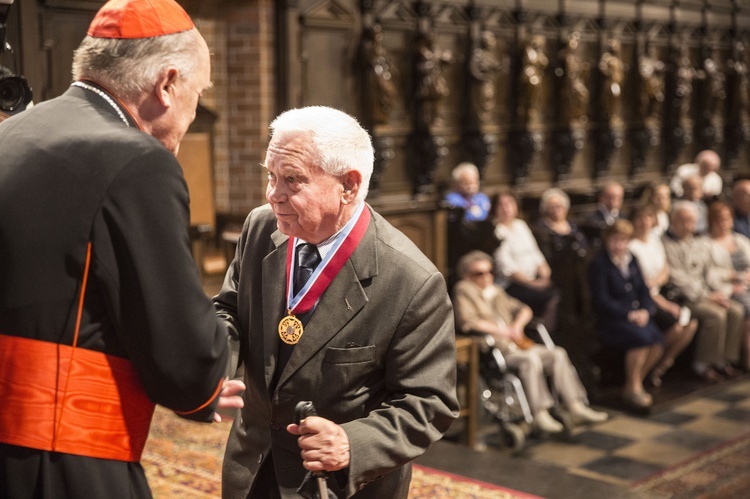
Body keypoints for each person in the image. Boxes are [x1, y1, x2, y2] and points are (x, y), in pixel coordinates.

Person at [0, 0, 245, 497]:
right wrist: (206, 377)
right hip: (59, 453)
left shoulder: (13, 131)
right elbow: (182, 355)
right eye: (198, 94)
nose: (194, 112)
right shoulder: (136, 161)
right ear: (167, 84)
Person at [213, 106, 459, 498]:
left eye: (292, 180)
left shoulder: (412, 280)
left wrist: (351, 443)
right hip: (251, 465)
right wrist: (214, 363)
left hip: (337, 484)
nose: (272, 194)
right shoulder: (260, 228)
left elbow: (428, 401)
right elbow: (228, 310)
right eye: (270, 175)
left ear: (348, 185)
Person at [453, 251, 608, 432]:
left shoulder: (496, 291)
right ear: (467, 275)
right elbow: (467, 322)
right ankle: (539, 413)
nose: (486, 277)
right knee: (530, 360)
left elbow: (524, 309)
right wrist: (503, 331)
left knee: (557, 354)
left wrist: (517, 327)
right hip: (495, 349)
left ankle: (575, 405)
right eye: (479, 273)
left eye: (489, 272)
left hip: (517, 342)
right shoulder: (464, 290)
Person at [662, 202, 744, 381]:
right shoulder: (667, 243)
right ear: (673, 220)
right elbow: (678, 279)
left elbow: (708, 272)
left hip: (706, 292)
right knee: (716, 315)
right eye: (683, 221)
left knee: (736, 310)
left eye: (692, 221)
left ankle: (724, 361)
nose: (688, 225)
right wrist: (708, 296)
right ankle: (702, 364)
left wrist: (723, 291)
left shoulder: (697, 241)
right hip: (684, 296)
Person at [588, 220, 664, 408]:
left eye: (623, 240)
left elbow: (644, 290)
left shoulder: (632, 259)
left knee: (658, 341)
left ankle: (633, 383)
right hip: (613, 318)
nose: (619, 245)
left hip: (637, 314)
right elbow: (602, 300)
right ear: (607, 240)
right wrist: (629, 314)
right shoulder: (600, 264)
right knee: (641, 339)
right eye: (615, 240)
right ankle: (634, 387)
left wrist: (646, 310)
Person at [628, 205, 697, 386]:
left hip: (660, 290)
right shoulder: (630, 246)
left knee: (690, 324)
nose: (644, 222)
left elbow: (665, 269)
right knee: (676, 327)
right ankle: (642, 374)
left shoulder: (654, 240)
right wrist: (664, 303)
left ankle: (662, 365)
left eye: (648, 218)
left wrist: (658, 281)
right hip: (645, 297)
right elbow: (641, 284)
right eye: (640, 219)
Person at [492, 189, 560, 334]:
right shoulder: (496, 230)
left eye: (510, 203)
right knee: (551, 297)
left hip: (533, 280)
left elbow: (536, 254)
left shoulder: (520, 225)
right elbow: (507, 268)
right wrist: (532, 284)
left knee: (559, 291)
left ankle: (545, 332)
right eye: (501, 205)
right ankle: (542, 334)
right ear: (495, 209)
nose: (506, 208)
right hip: (512, 285)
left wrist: (545, 276)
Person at [705, 202, 750, 371]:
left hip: (746, 285)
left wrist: (745, 280)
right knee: (747, 307)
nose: (723, 223)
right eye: (719, 220)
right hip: (726, 289)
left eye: (727, 219)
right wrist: (735, 277)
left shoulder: (740, 240)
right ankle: (747, 357)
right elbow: (711, 275)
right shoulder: (706, 243)